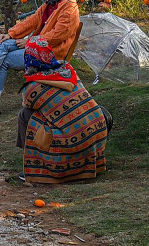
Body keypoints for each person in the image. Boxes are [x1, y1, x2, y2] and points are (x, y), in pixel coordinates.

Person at [15, 42, 109, 185]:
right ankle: (89, 161)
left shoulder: (32, 88)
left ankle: (34, 162)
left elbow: (28, 104)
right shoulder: (68, 70)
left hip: (75, 143)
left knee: (25, 114)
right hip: (97, 131)